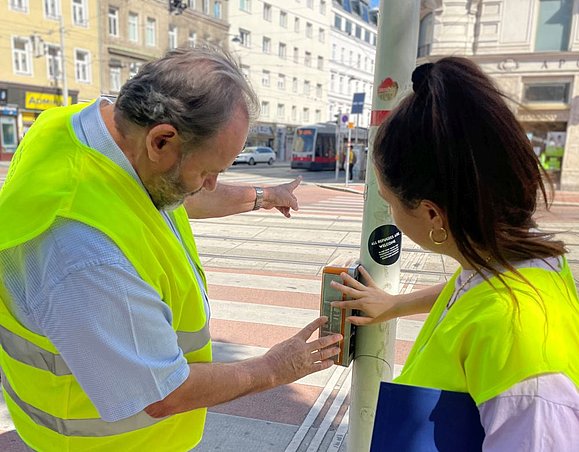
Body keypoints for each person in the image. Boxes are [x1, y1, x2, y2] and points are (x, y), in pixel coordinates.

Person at [0, 47, 342, 451]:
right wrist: (273, 368)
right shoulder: (84, 253)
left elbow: (180, 191)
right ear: (161, 139)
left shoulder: (81, 129)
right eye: (208, 170)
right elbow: (163, 393)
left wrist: (263, 195)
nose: (211, 183)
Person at [331, 57, 579, 449]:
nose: (392, 215)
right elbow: (470, 291)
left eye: (390, 202)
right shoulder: (514, 262)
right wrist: (393, 305)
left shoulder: (518, 337)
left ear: (432, 213)